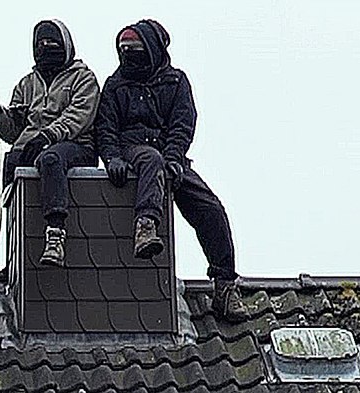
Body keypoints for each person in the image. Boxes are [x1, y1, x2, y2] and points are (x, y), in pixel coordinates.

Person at [95, 19, 248, 320]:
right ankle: (146, 225)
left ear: (152, 50)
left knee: (211, 208)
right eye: (125, 50)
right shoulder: (115, 85)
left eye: (136, 50)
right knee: (150, 159)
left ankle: (225, 287)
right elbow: (105, 127)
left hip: (170, 159)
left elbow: (182, 123)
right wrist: (112, 157)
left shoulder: (176, 82)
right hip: (134, 153)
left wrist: (175, 158)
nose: (129, 56)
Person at [0, 19, 100, 267]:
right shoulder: (26, 84)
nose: (46, 47)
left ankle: (55, 233)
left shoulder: (83, 78)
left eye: (52, 43)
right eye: (41, 43)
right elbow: (13, 131)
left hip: (75, 145)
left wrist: (47, 136)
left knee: (50, 159)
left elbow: (79, 116)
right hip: (32, 145)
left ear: (65, 45)